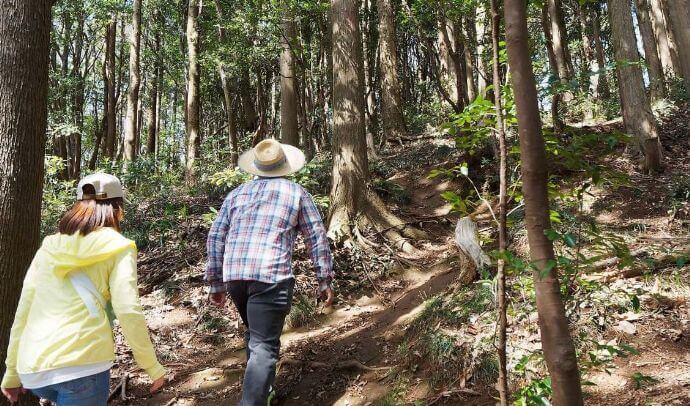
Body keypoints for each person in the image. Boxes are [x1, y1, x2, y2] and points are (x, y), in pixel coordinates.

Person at [1, 173, 166, 405]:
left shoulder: (49, 245)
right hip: (83, 365)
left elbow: (23, 312)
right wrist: (151, 365)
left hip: (34, 370)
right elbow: (128, 310)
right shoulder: (119, 247)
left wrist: (11, 373)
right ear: (117, 207)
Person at [206, 139, 335, 406]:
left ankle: (264, 392)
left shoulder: (237, 194)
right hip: (270, 276)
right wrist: (324, 278)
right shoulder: (296, 193)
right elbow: (316, 237)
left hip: (236, 277)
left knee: (255, 335)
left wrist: (216, 283)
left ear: (256, 168)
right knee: (264, 345)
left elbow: (216, 236)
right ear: (285, 166)